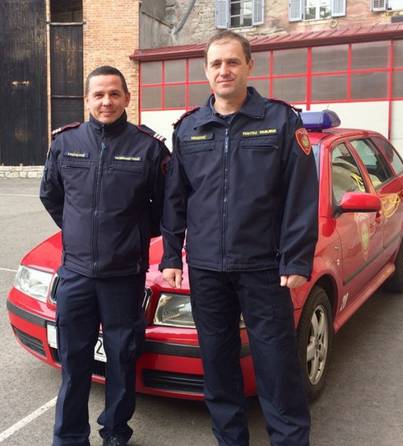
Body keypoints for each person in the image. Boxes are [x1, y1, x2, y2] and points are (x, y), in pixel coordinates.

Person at [160, 30, 318, 446]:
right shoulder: (189, 128)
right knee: (218, 365)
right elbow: (176, 198)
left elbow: (301, 196)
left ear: (250, 65)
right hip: (208, 269)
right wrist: (172, 256)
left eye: (232, 62)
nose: (224, 70)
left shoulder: (281, 121)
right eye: (216, 64)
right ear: (206, 72)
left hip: (265, 268)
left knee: (276, 366)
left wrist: (297, 260)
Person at [40, 66, 170, 446]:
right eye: (98, 94)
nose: (106, 101)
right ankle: (69, 437)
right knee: (74, 362)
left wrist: (126, 236)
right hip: (76, 276)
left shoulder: (149, 148)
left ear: (127, 97)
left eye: (114, 93)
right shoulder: (65, 143)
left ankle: (115, 432)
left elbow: (165, 210)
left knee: (121, 359)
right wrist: (81, 230)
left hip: (123, 277)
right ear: (87, 100)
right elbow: (52, 196)